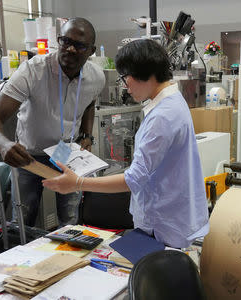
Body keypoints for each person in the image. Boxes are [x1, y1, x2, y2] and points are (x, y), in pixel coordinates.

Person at [43, 39, 209, 248]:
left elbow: (134, 179)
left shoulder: (162, 116)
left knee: (150, 274)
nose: (126, 87)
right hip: (171, 216)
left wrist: (78, 183)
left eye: (124, 78)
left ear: (140, 73)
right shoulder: (174, 101)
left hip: (162, 225)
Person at [0, 18, 105, 227]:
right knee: (23, 220)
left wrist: (86, 134)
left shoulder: (96, 77)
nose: (71, 49)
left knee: (71, 218)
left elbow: (89, 103)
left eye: (80, 45)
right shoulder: (32, 71)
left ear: (91, 51)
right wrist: (3, 144)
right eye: (65, 41)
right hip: (29, 154)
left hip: (65, 151)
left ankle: (68, 256)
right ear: (58, 41)